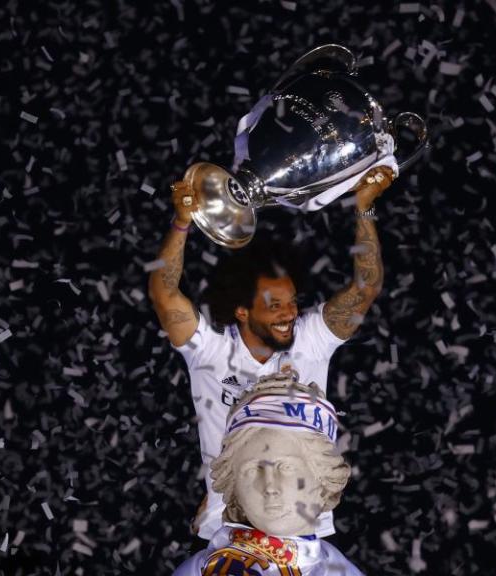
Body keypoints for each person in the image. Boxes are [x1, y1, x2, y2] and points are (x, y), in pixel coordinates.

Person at [148, 165, 394, 540]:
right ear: (243, 310)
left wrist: (364, 208)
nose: (289, 312)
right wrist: (182, 223)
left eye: (292, 302)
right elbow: (164, 294)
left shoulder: (310, 340)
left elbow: (366, 288)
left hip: (304, 529)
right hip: (231, 526)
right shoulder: (211, 351)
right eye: (275, 304)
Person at [172, 374, 364, 576]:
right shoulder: (197, 571)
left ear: (324, 479)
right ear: (234, 487)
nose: (270, 486)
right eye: (253, 470)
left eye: (286, 467)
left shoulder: (338, 572)